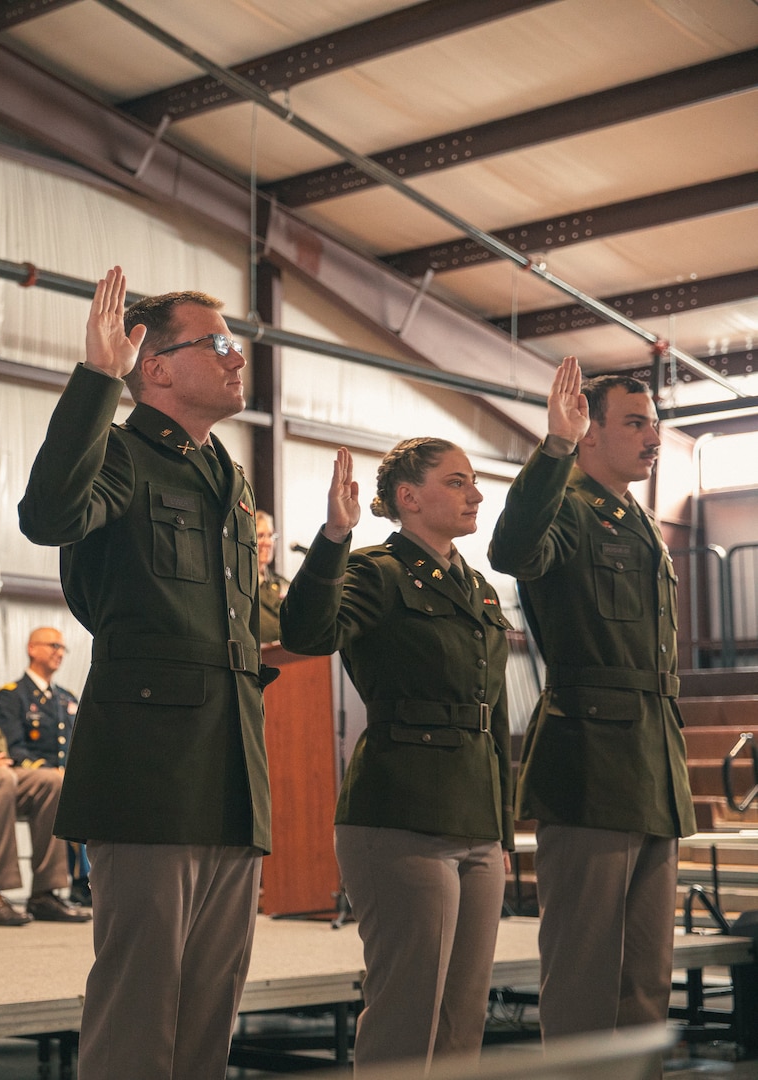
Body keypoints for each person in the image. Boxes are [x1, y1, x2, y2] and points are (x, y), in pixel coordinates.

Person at [19, 268, 272, 1079]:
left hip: (230, 770)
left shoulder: (223, 473)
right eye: (219, 344)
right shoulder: (123, 454)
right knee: (140, 1006)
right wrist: (96, 380)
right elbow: (49, 516)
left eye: (237, 344)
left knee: (210, 1008)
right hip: (150, 766)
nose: (238, 358)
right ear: (155, 367)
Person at [280, 443, 513, 1069]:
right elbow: (307, 634)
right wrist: (333, 537)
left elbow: (495, 716)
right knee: (408, 1015)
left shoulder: (482, 590)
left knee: (463, 1021)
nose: (476, 495)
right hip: (402, 814)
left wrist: (504, 827)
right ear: (408, 498)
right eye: (457, 482)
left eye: (474, 482)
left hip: (477, 820)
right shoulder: (374, 571)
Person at [488, 360, 691, 1062]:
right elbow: (511, 549)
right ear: (590, 432)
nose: (652, 436)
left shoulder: (635, 520)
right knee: (582, 977)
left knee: (645, 981)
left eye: (654, 423)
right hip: (590, 763)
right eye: (634, 423)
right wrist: (550, 449)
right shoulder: (569, 505)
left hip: (652, 765)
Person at [0, 627, 90, 926]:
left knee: (56, 783)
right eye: (52, 645)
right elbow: (13, 748)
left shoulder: (66, 698)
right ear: (32, 648)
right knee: (7, 779)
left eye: (63, 648)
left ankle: (44, 893)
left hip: (52, 777)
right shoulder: (13, 696)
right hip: (18, 770)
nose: (59, 652)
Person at [255, 509, 288, 644]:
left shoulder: (282, 583)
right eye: (261, 535)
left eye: (271, 536)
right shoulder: (239, 587)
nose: (268, 543)